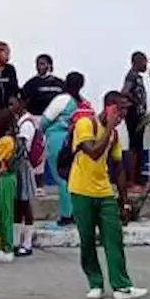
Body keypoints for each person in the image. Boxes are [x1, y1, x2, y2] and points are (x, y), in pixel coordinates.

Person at [69, 91, 148, 299]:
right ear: (109, 107)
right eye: (120, 109)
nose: (123, 114)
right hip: (80, 189)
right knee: (87, 239)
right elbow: (93, 152)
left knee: (114, 238)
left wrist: (125, 202)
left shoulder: (114, 134)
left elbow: (118, 168)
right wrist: (110, 128)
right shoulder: (86, 124)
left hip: (104, 191)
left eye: (126, 110)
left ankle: (121, 285)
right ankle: (95, 282)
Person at [41, 72, 88, 227]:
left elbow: (44, 121)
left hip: (57, 141)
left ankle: (66, 216)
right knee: (72, 177)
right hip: (75, 141)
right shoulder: (82, 102)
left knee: (61, 177)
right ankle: (75, 213)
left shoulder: (62, 99)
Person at [0, 109, 21, 264]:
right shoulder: (8, 139)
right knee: (1, 212)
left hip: (5, 178)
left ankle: (7, 248)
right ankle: (4, 245)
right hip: (6, 178)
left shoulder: (6, 141)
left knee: (5, 212)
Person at [8, 94, 40, 257]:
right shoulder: (20, 122)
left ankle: (27, 243)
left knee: (25, 204)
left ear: (21, 104)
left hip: (22, 166)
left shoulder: (26, 124)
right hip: (19, 166)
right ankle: (15, 241)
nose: (10, 107)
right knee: (17, 206)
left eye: (13, 104)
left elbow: (20, 148)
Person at [120, 52, 149, 184]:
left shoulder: (137, 77)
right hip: (134, 116)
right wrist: (136, 101)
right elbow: (125, 92)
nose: (146, 65)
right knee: (134, 147)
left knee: (138, 146)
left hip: (139, 116)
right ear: (137, 62)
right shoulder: (132, 76)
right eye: (144, 62)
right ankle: (131, 180)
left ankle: (136, 178)